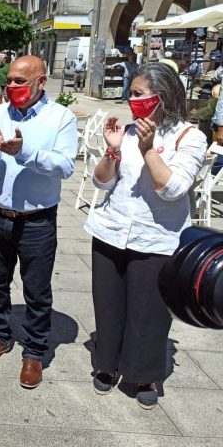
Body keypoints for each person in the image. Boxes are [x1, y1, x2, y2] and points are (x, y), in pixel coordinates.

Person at [84, 63, 207, 409]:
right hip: (111, 231)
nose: (130, 98)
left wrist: (149, 148)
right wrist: (112, 149)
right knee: (109, 305)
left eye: (138, 93)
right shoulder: (125, 131)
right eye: (131, 91)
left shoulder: (190, 137)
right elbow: (103, 182)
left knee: (150, 312)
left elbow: (172, 189)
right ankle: (106, 365)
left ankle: (144, 372)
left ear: (162, 97)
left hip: (159, 240)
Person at [0, 55, 78, 388]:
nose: (11, 86)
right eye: (9, 80)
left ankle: (34, 350)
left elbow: (65, 167)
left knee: (36, 291)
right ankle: (0, 335)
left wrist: (23, 153)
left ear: (41, 82)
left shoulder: (61, 117)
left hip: (37, 222)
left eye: (20, 81)